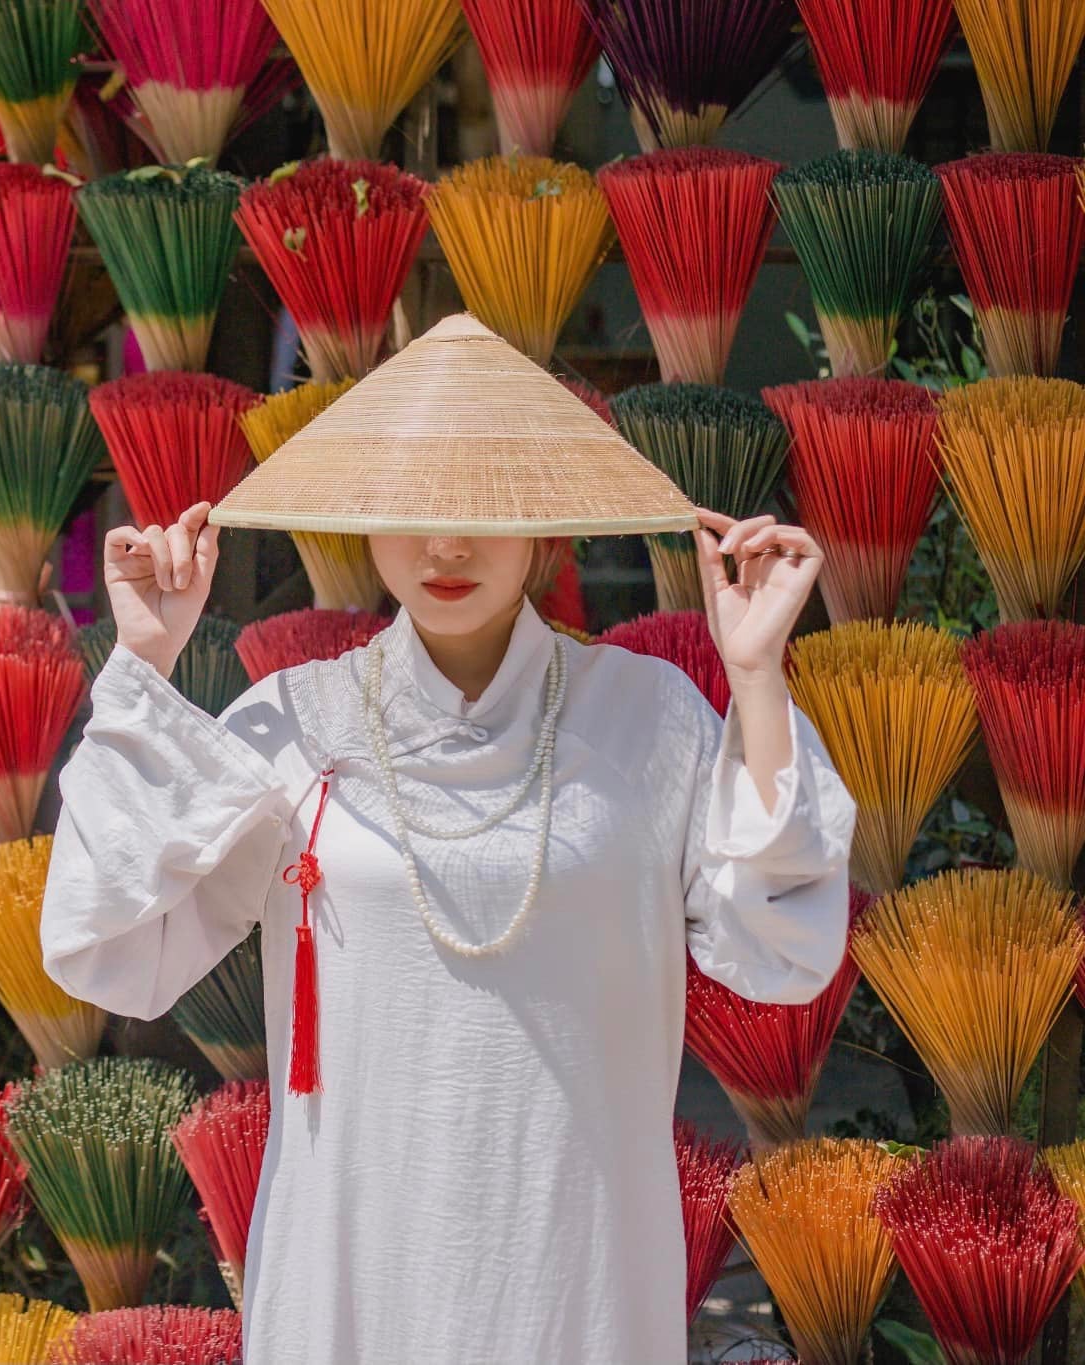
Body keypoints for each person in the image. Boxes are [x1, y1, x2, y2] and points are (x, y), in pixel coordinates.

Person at [41, 476, 857, 1358]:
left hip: (579, 1263)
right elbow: (111, 948)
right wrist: (143, 666)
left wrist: (757, 674)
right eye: (415, 511)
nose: (445, 548)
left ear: (543, 518)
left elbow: (785, 948)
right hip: (351, 1256)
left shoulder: (645, 718)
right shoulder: (297, 724)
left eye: (481, 507)